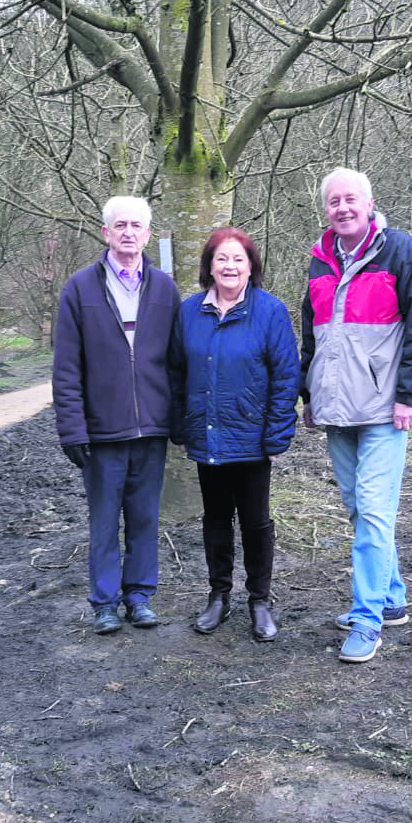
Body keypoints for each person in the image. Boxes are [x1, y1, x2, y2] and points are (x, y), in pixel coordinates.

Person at [300, 167, 412, 664]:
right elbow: (313, 336)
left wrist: (411, 395)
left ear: (369, 202)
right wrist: (309, 395)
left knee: (375, 514)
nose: (343, 207)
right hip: (336, 409)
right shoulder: (320, 261)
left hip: (384, 407)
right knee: (360, 510)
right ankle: (393, 597)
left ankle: (367, 619)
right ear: (326, 209)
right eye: (334, 201)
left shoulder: (399, 250)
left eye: (351, 199)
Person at [52, 195, 181, 635]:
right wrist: (72, 430)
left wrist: (177, 417)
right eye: (119, 225)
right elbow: (66, 367)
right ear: (105, 232)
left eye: (136, 226)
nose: (128, 232)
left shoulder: (164, 288)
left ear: (147, 234)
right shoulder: (80, 288)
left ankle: (140, 597)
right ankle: (105, 603)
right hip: (102, 432)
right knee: (104, 522)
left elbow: (176, 361)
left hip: (152, 429)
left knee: (145, 518)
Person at [170, 228, 300, 641]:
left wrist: (277, 436)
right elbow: (175, 373)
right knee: (215, 518)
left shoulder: (270, 311)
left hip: (252, 438)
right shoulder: (189, 312)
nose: (229, 266)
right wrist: (182, 427)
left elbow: (286, 377)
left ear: (251, 266)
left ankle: (259, 601)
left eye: (238, 259)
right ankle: (218, 596)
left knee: (256, 522)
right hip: (206, 435)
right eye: (221, 259)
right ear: (209, 266)